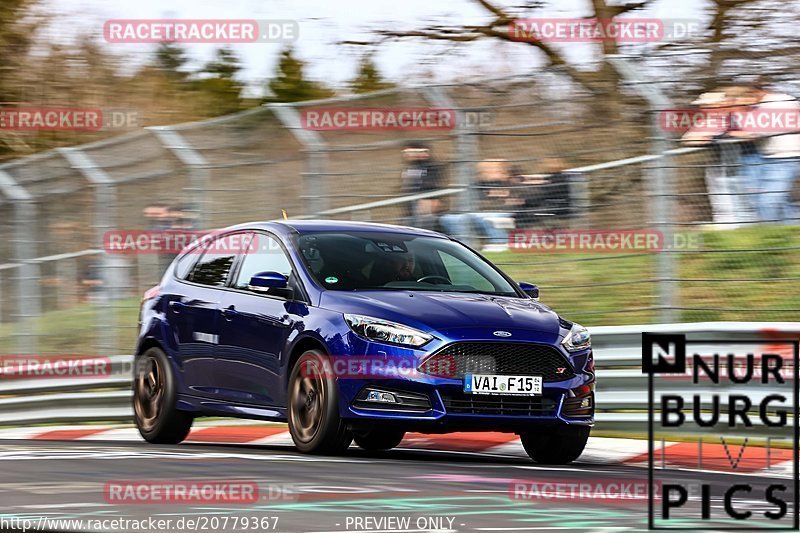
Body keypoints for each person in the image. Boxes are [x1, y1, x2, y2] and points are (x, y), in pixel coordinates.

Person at [681, 87, 755, 228]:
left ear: (720, 104)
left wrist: (719, 136)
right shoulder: (706, 122)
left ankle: (747, 226)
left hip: (743, 164)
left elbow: (749, 134)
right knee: (720, 197)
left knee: (743, 197)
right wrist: (711, 138)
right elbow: (688, 139)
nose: (703, 109)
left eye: (707, 106)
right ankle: (727, 226)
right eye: (702, 106)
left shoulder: (737, 115)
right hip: (718, 164)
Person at [729, 77, 800, 223]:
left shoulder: (774, 103)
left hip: (785, 158)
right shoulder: (781, 100)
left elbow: (762, 130)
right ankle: (790, 233)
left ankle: (771, 234)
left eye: (749, 95)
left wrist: (737, 133)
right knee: (781, 202)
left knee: (767, 201)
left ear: (757, 92)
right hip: (775, 157)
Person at [399, 141, 447, 229]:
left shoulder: (432, 167)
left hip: (426, 210)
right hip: (410, 211)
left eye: (410, 152)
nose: (407, 155)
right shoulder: (410, 168)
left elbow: (433, 186)